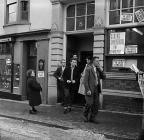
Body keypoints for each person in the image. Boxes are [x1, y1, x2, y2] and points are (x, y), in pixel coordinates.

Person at [83, 56, 106, 123]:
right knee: (89, 103)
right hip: (90, 89)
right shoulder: (88, 69)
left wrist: (101, 70)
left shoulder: (98, 69)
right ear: (93, 61)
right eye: (97, 61)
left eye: (99, 61)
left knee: (96, 105)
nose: (98, 62)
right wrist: (88, 90)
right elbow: (85, 81)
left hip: (96, 89)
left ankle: (92, 118)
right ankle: (85, 115)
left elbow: (104, 77)